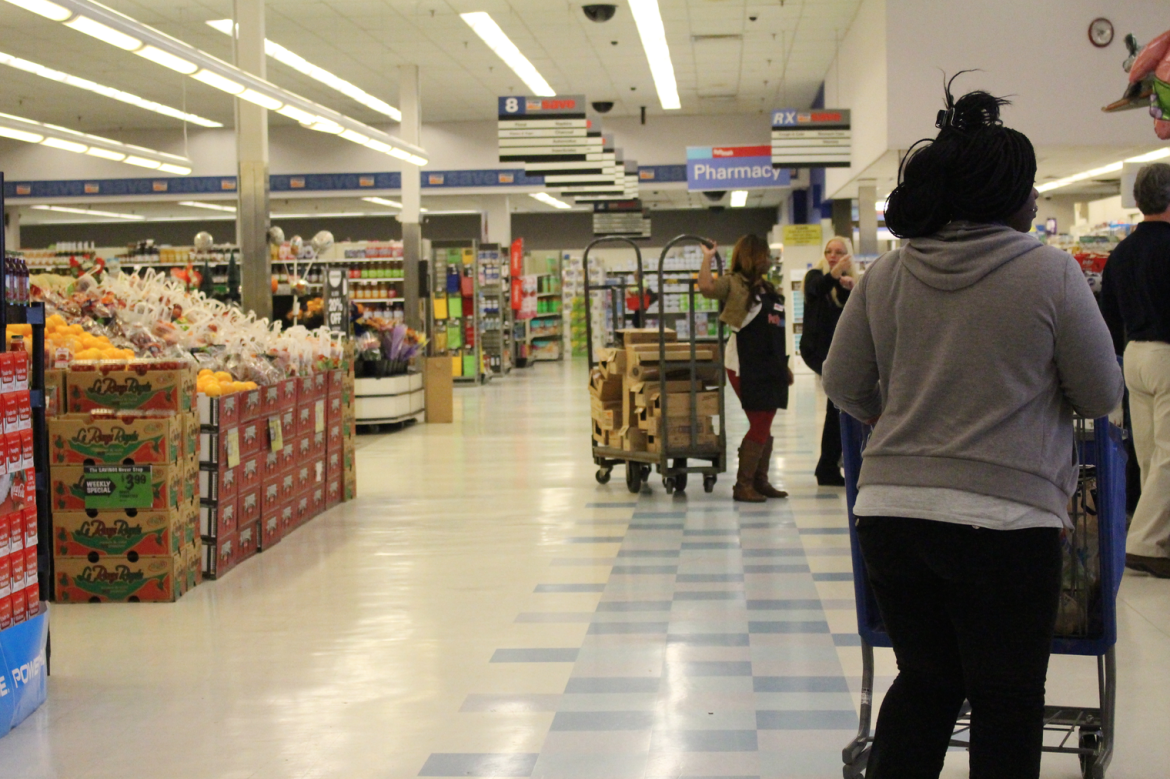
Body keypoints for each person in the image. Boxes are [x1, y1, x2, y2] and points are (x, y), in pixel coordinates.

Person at [823, 85, 1123, 779]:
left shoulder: (886, 274)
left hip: (893, 516)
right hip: (1007, 526)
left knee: (926, 682)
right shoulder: (1049, 271)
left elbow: (842, 382)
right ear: (1000, 194)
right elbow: (1100, 392)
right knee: (1006, 697)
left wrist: (897, 416)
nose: (1036, 201)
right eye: (1029, 188)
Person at [1100, 162, 1170, 578]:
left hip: (1135, 356)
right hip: (1167, 355)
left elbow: (1107, 315)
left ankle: (1158, 540)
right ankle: (1144, 542)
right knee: (1167, 455)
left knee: (1148, 454)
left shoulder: (1121, 253)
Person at [697, 234, 793, 502]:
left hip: (769, 363)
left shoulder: (769, 289)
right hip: (744, 363)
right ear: (751, 256)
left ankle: (759, 481)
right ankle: (744, 485)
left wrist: (782, 366)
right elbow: (705, 287)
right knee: (760, 421)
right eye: (764, 254)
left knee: (764, 421)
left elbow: (775, 332)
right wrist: (707, 258)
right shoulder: (733, 282)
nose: (768, 259)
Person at [800, 236, 855, 486]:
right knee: (837, 406)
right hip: (817, 351)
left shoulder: (850, 282)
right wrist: (834, 274)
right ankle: (828, 466)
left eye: (839, 252)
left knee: (838, 408)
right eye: (829, 251)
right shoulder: (815, 276)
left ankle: (829, 464)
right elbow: (817, 289)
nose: (833, 255)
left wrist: (852, 288)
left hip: (841, 353)